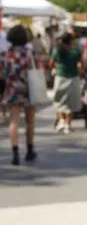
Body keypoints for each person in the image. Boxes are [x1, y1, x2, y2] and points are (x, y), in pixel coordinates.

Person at [0, 25, 38, 165]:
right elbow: (34, 70)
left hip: (12, 89)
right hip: (28, 89)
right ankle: (29, 150)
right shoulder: (29, 53)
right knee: (30, 121)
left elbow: (2, 73)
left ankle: (15, 152)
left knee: (14, 121)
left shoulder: (5, 54)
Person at [50, 33, 83, 134]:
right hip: (73, 78)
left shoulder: (57, 51)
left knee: (59, 101)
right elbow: (82, 64)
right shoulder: (75, 51)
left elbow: (51, 63)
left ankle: (61, 121)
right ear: (71, 41)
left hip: (60, 77)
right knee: (70, 103)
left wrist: (55, 68)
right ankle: (68, 125)